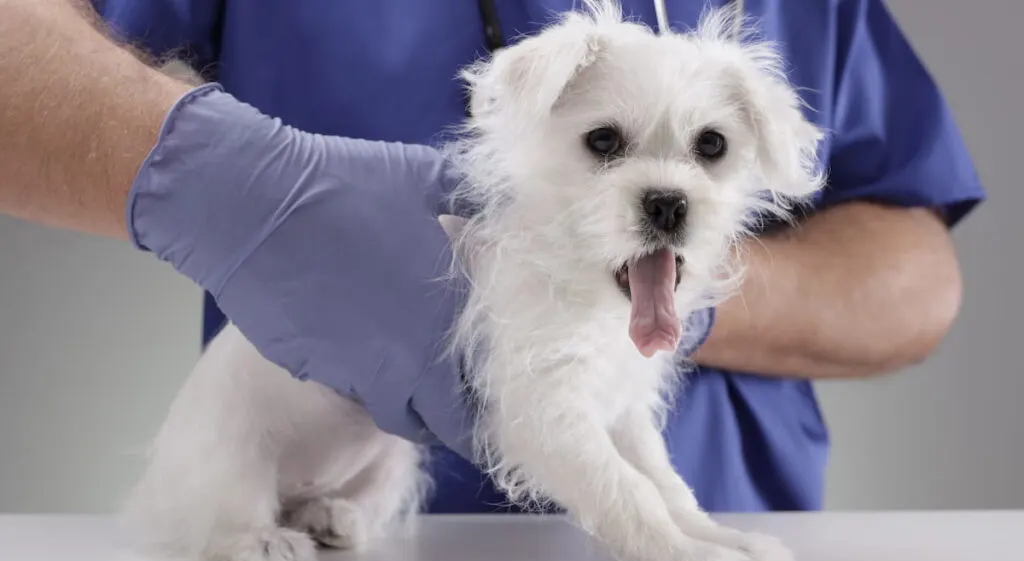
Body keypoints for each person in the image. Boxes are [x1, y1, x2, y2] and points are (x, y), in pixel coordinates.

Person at [0, 0, 982, 515]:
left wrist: (658, 298)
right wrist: (239, 188)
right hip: (333, 540)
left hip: (716, 549)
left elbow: (912, 277)